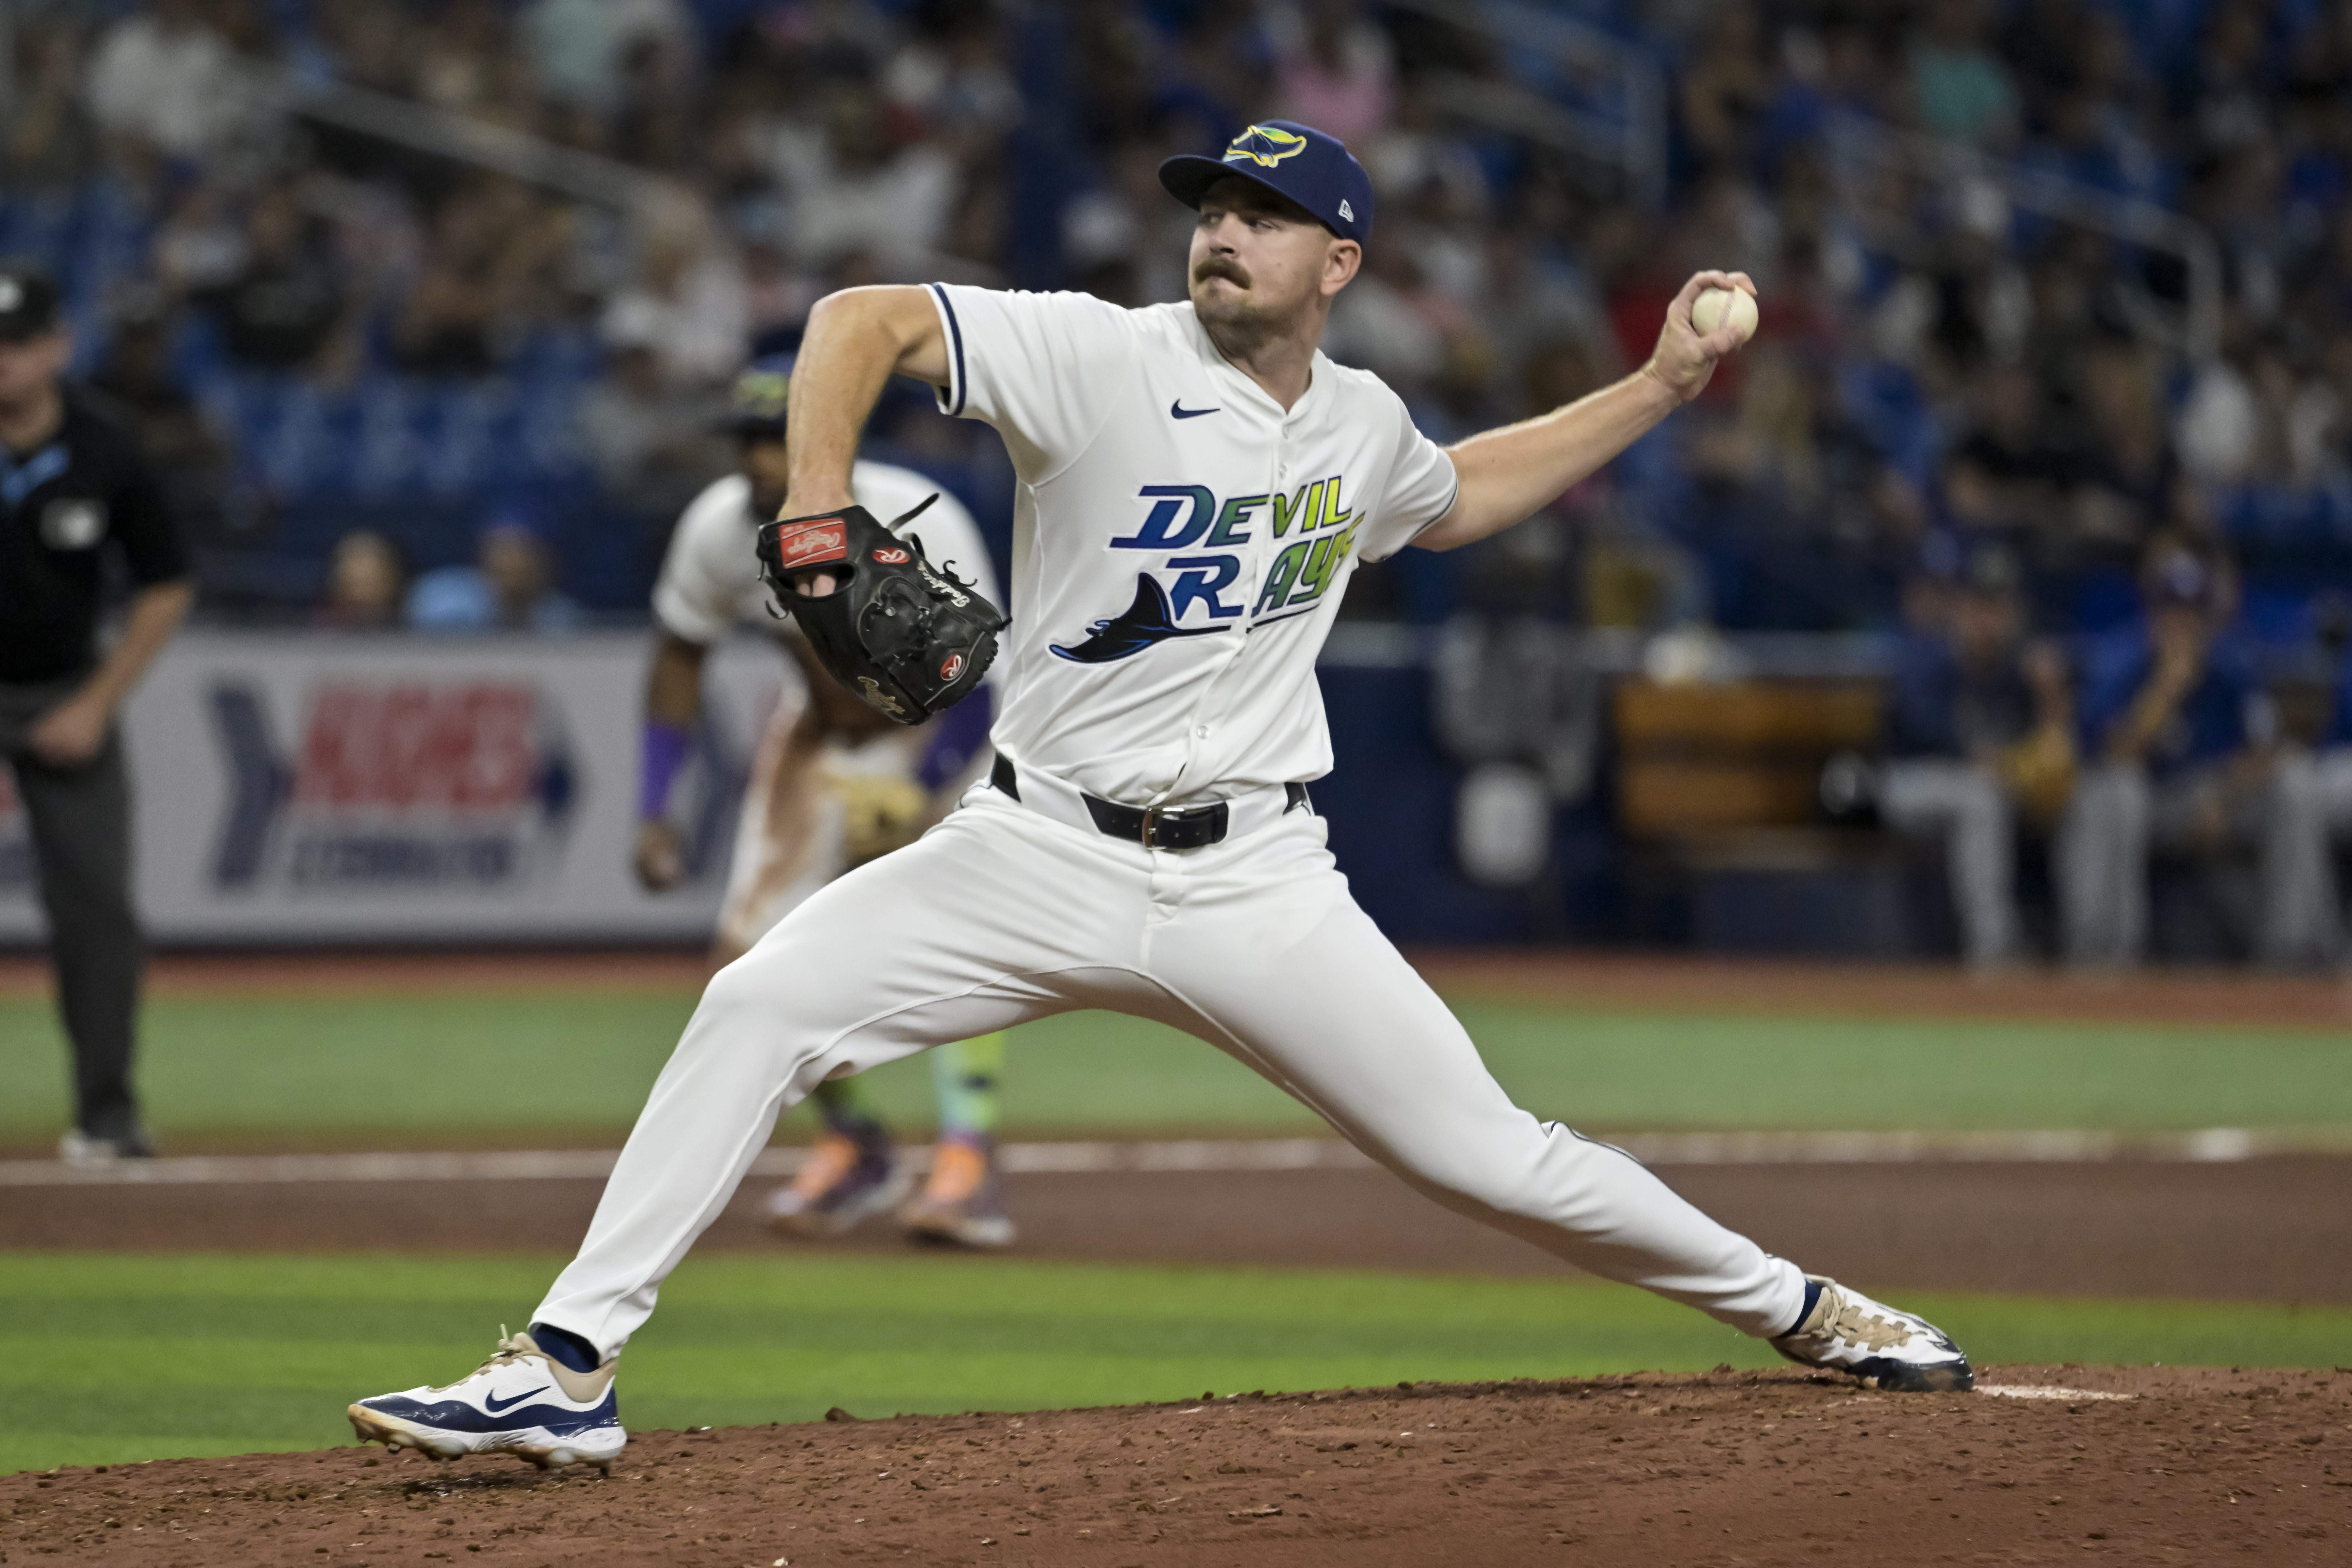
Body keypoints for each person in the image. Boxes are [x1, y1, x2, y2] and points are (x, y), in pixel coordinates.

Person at [349, 120, 1971, 1474]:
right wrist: (820, 501)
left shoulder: (1357, 421)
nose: (1223, 234)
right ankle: (566, 1364)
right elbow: (860, 316)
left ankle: (1806, 1305)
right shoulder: (1099, 356)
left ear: (1337, 265)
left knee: (1488, 1155)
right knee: (759, 1000)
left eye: (1265, 218)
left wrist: (1658, 387)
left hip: (1256, 880)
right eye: (1212, 207)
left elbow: (1459, 490)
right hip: (1032, 844)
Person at [633, 356, 1016, 1247]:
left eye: (780, 438)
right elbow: (679, 657)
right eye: (749, 441)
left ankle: (969, 1160)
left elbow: (983, 681)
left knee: (967, 950)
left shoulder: (915, 513)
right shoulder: (718, 531)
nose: (762, 460)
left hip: (945, 729)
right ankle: (859, 1145)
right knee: (747, 962)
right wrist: (655, 805)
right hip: (819, 731)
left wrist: (919, 793)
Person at [0, 268, 193, 1165]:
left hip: (61, 691)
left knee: (99, 912)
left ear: (57, 346)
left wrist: (97, 701)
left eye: (18, 342)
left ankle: (107, 1113)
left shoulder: (105, 447)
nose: (3, 361)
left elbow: (166, 582)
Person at [2059, 534, 2333, 968]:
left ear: (2208, 619)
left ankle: (2292, 952)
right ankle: (2106, 956)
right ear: (2152, 614)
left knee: (2297, 783)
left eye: (2192, 615)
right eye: (2171, 612)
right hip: (2150, 799)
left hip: (2213, 796)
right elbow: (2110, 755)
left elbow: (2267, 749)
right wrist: (2167, 689)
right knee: (2115, 793)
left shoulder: (2231, 665)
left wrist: (2223, 796)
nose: (2181, 625)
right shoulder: (2120, 661)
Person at [1879, 541, 2075, 967]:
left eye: (2001, 606)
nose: (1991, 618)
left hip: (1990, 786)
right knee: (1981, 797)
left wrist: (2051, 700)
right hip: (1908, 782)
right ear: (1962, 606)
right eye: (1982, 604)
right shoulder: (1927, 655)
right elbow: (1923, 732)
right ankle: (1994, 947)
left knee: (2074, 796)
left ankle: (2089, 954)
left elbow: (2052, 752)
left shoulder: (2019, 672)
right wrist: (1998, 763)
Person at [407, 513, 586, 633]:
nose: (513, 563)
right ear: (483, 558)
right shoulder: (444, 599)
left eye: (523, 554)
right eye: (504, 553)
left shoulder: (564, 617)